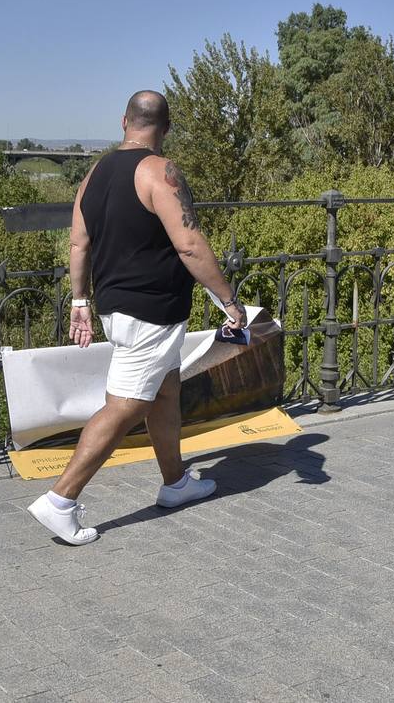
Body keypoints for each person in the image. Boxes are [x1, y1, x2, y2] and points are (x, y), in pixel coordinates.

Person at [27, 90, 247, 545]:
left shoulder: (95, 172)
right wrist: (228, 300)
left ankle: (175, 483)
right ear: (165, 129)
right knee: (125, 404)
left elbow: (78, 243)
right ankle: (60, 500)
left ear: (123, 121)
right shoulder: (159, 172)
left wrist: (79, 300)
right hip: (154, 310)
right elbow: (189, 244)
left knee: (165, 391)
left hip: (114, 305)